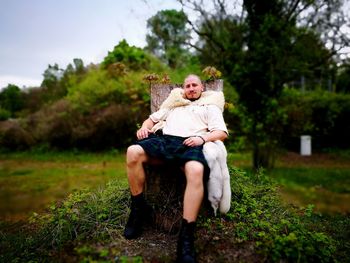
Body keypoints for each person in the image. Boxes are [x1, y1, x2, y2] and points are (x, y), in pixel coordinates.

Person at [124, 74, 228, 263]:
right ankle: (138, 210)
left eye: (194, 85)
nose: (191, 88)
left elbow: (221, 133)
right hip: (165, 140)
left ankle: (186, 236)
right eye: (187, 85)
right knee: (132, 151)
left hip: (190, 143)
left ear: (201, 88)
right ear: (184, 89)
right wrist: (144, 128)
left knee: (196, 170)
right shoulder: (174, 106)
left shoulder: (210, 107)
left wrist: (202, 139)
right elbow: (151, 120)